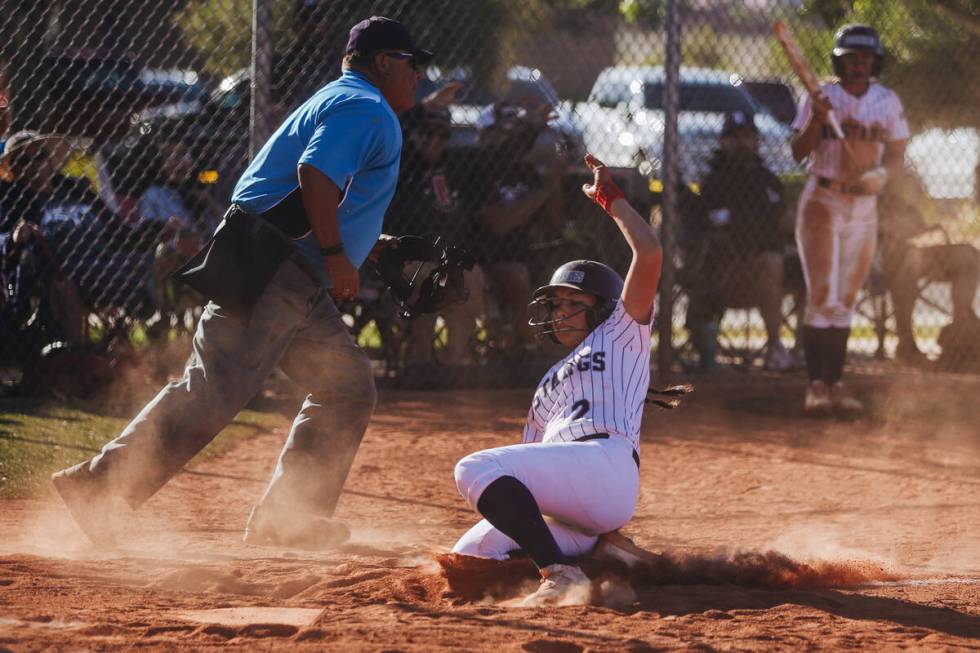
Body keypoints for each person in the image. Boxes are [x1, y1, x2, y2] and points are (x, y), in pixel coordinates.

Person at [49, 16, 432, 549]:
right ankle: (98, 486)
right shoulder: (366, 106)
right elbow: (314, 175)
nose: (420, 75)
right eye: (415, 64)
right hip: (275, 269)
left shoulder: (347, 100)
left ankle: (288, 518)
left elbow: (311, 187)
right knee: (213, 390)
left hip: (288, 272)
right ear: (385, 62)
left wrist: (371, 245)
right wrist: (337, 254)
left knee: (347, 387)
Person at [450, 153, 662, 606]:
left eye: (572, 303)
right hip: (575, 505)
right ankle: (604, 553)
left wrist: (613, 201)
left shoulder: (621, 333)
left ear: (603, 307)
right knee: (468, 560)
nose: (560, 313)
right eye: (555, 305)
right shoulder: (547, 382)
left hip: (606, 465)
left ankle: (560, 573)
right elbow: (528, 478)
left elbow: (649, 253)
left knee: (474, 467)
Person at [790, 23, 909, 414]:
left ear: (874, 62)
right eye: (851, 58)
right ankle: (815, 387)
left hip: (863, 206)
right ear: (839, 62)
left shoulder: (887, 102)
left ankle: (836, 382)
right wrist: (817, 118)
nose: (859, 65)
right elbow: (798, 152)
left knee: (846, 300)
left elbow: (896, 153)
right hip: (824, 199)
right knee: (821, 294)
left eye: (865, 58)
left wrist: (881, 177)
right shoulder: (821, 97)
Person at [682, 110, 793, 372]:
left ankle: (791, 350)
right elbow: (701, 230)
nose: (742, 143)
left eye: (747, 137)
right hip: (726, 273)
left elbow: (786, 223)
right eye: (735, 138)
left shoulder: (768, 180)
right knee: (769, 261)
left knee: (784, 262)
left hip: (769, 273)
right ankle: (711, 351)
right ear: (723, 142)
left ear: (758, 141)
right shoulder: (713, 183)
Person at [385, 103, 486, 368]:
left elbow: (498, 153)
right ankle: (420, 362)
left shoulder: (454, 167)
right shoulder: (402, 166)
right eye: (426, 133)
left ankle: (454, 361)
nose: (435, 141)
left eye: (442, 135)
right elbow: (396, 127)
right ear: (413, 133)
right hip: (405, 256)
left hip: (445, 255)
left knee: (470, 279)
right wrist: (427, 105)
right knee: (425, 283)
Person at [877, 169, 979, 367]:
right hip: (887, 262)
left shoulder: (909, 208)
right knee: (909, 258)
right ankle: (906, 345)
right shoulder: (873, 200)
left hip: (920, 256)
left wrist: (925, 233)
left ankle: (962, 329)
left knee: (968, 254)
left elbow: (922, 232)